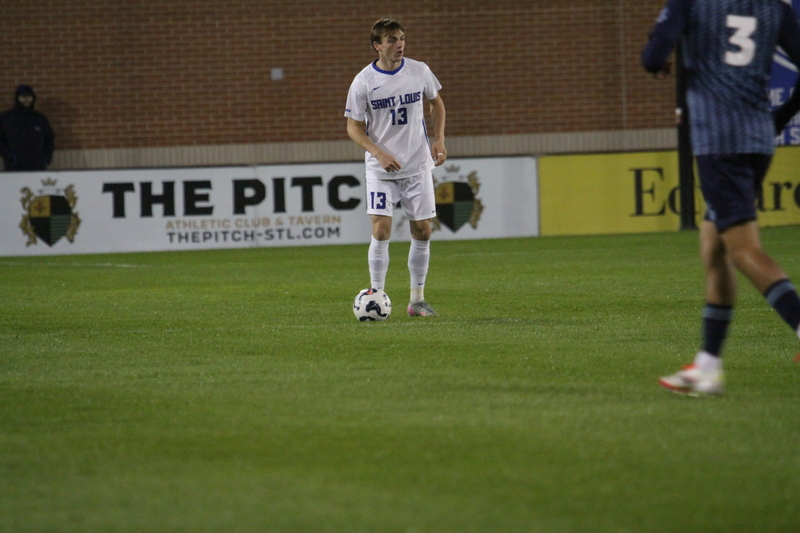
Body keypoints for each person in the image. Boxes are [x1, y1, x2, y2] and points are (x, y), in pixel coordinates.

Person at [641, 0, 800, 395]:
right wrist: (780, 115)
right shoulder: (775, 8)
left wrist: (663, 58)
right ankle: (708, 367)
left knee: (743, 249)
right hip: (758, 138)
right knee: (714, 247)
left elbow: (652, 57)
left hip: (718, 140)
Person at [344, 17, 447, 317]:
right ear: (377, 46)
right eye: (391, 40)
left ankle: (417, 301)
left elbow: (436, 103)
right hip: (382, 171)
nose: (399, 44)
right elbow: (353, 127)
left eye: (401, 38)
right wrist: (378, 153)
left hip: (416, 165)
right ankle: (376, 293)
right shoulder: (363, 81)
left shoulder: (419, 71)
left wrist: (439, 139)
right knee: (381, 229)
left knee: (424, 231)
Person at [0, 85, 55, 171]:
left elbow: (49, 139)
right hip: (14, 166)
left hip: (37, 165)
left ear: (33, 98)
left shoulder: (39, 118)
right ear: (17, 98)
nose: (26, 99)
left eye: (29, 96)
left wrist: (47, 158)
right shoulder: (7, 118)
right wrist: (8, 157)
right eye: (23, 96)